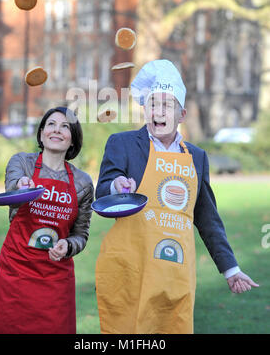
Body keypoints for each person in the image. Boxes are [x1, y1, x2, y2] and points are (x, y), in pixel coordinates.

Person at [95, 59, 259, 334]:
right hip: (130, 267)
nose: (158, 111)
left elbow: (207, 217)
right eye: (152, 104)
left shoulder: (196, 157)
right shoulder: (122, 144)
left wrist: (230, 269)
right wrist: (116, 186)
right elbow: (101, 193)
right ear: (145, 109)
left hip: (174, 270)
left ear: (181, 114)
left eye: (166, 105)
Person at [0, 106, 94, 334]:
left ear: (73, 140)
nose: (57, 130)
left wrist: (68, 245)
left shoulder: (82, 183)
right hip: (15, 273)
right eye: (51, 124)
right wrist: (22, 186)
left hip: (55, 280)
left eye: (65, 126)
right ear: (41, 133)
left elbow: (81, 234)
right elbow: (12, 191)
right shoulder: (22, 163)